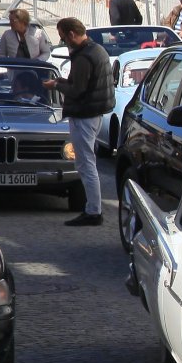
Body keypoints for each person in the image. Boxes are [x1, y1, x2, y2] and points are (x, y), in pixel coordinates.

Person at [45, 18, 113, 227]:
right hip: (93, 113)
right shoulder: (97, 50)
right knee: (87, 163)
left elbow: (77, 90)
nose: (63, 41)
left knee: (85, 165)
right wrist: (61, 82)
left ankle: (93, 211)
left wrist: (56, 85)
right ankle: (93, 209)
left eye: (63, 37)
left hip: (84, 115)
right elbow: (83, 84)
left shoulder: (84, 56)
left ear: (72, 34)